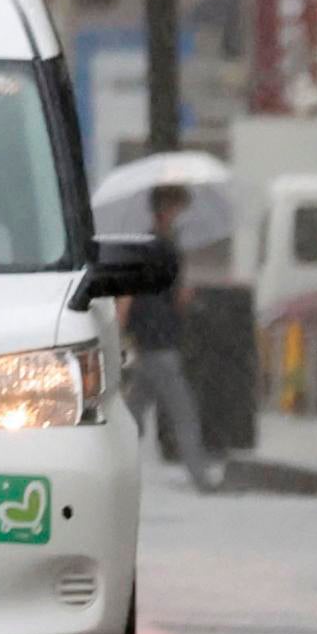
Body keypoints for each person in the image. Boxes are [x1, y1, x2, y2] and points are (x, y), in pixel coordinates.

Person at [122, 181, 226, 494]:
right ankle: (201, 477)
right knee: (183, 411)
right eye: (180, 208)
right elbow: (159, 295)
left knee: (132, 414)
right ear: (166, 210)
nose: (184, 215)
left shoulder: (150, 245)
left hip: (150, 340)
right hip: (160, 342)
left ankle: (109, 459)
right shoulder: (163, 248)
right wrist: (184, 295)